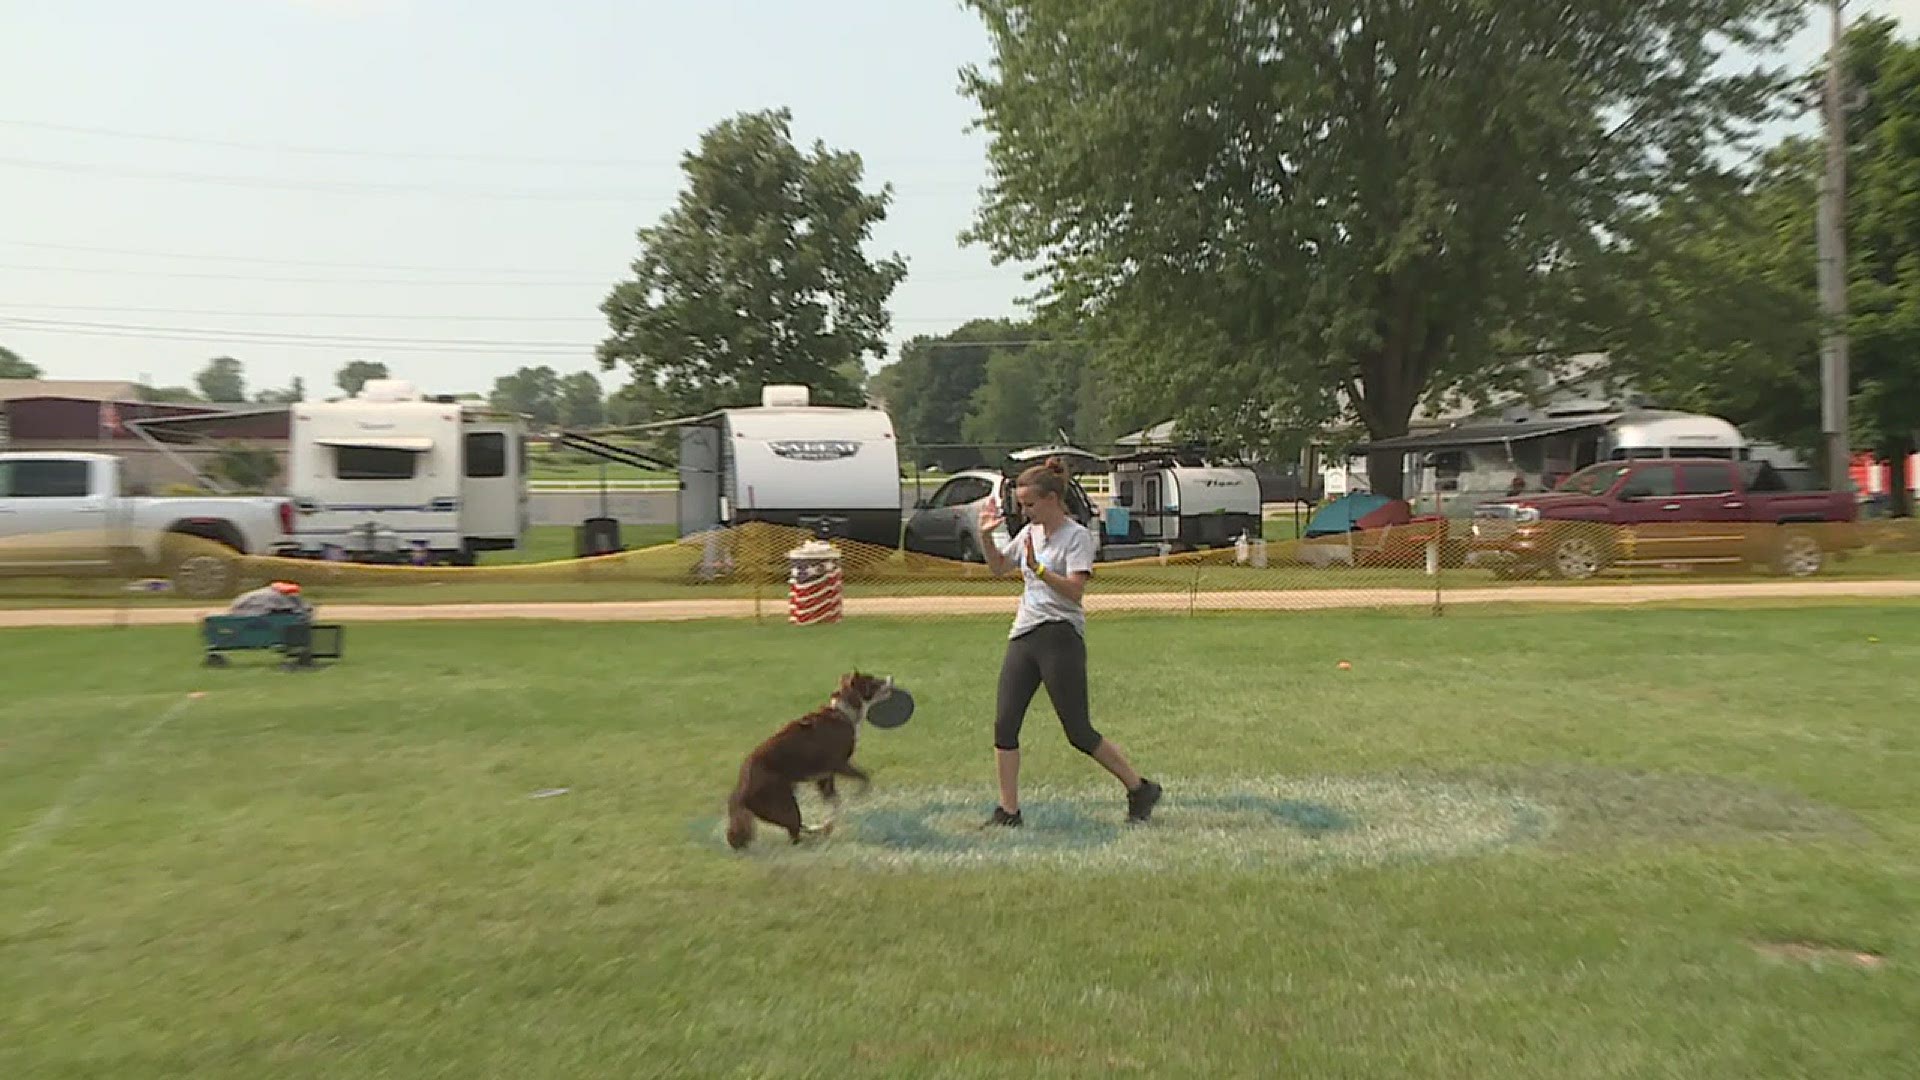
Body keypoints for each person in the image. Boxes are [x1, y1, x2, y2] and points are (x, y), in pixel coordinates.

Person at [975, 457, 1162, 828]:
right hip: (1025, 633)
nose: (1024, 513)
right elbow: (999, 567)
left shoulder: (1077, 537)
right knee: (1004, 724)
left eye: (1030, 505)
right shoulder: (1029, 534)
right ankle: (1008, 811)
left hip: (1060, 636)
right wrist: (985, 536)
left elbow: (1075, 592)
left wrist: (1042, 570)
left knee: (1078, 732)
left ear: (1052, 499)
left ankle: (1139, 788)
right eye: (1020, 506)